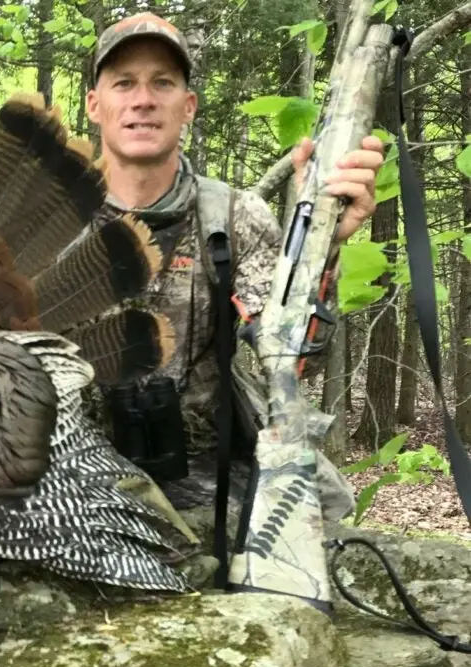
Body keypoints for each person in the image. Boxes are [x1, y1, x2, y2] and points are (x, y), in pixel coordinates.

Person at [82, 13, 384, 519]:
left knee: (320, 532)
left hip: (205, 470)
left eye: (163, 83)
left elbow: (295, 357)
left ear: (189, 106)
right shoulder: (48, 218)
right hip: (73, 466)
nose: (143, 100)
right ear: (95, 104)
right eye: (123, 83)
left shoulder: (231, 216)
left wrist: (322, 239)